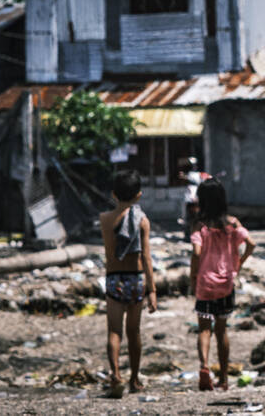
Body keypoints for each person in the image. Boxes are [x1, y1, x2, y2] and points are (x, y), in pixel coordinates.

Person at [189, 178, 255, 391]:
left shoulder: (200, 226)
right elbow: (251, 244)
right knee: (222, 330)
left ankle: (205, 366)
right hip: (226, 283)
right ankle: (224, 378)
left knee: (204, 329)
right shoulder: (232, 223)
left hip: (205, 283)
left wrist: (193, 277)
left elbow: (196, 253)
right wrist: (238, 264)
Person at [99, 169, 157, 398]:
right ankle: (134, 379)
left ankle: (116, 375)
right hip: (136, 279)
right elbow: (147, 258)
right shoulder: (142, 221)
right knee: (134, 332)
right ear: (139, 196)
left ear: (113, 194)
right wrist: (152, 290)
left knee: (114, 331)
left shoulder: (105, 219)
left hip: (114, 279)